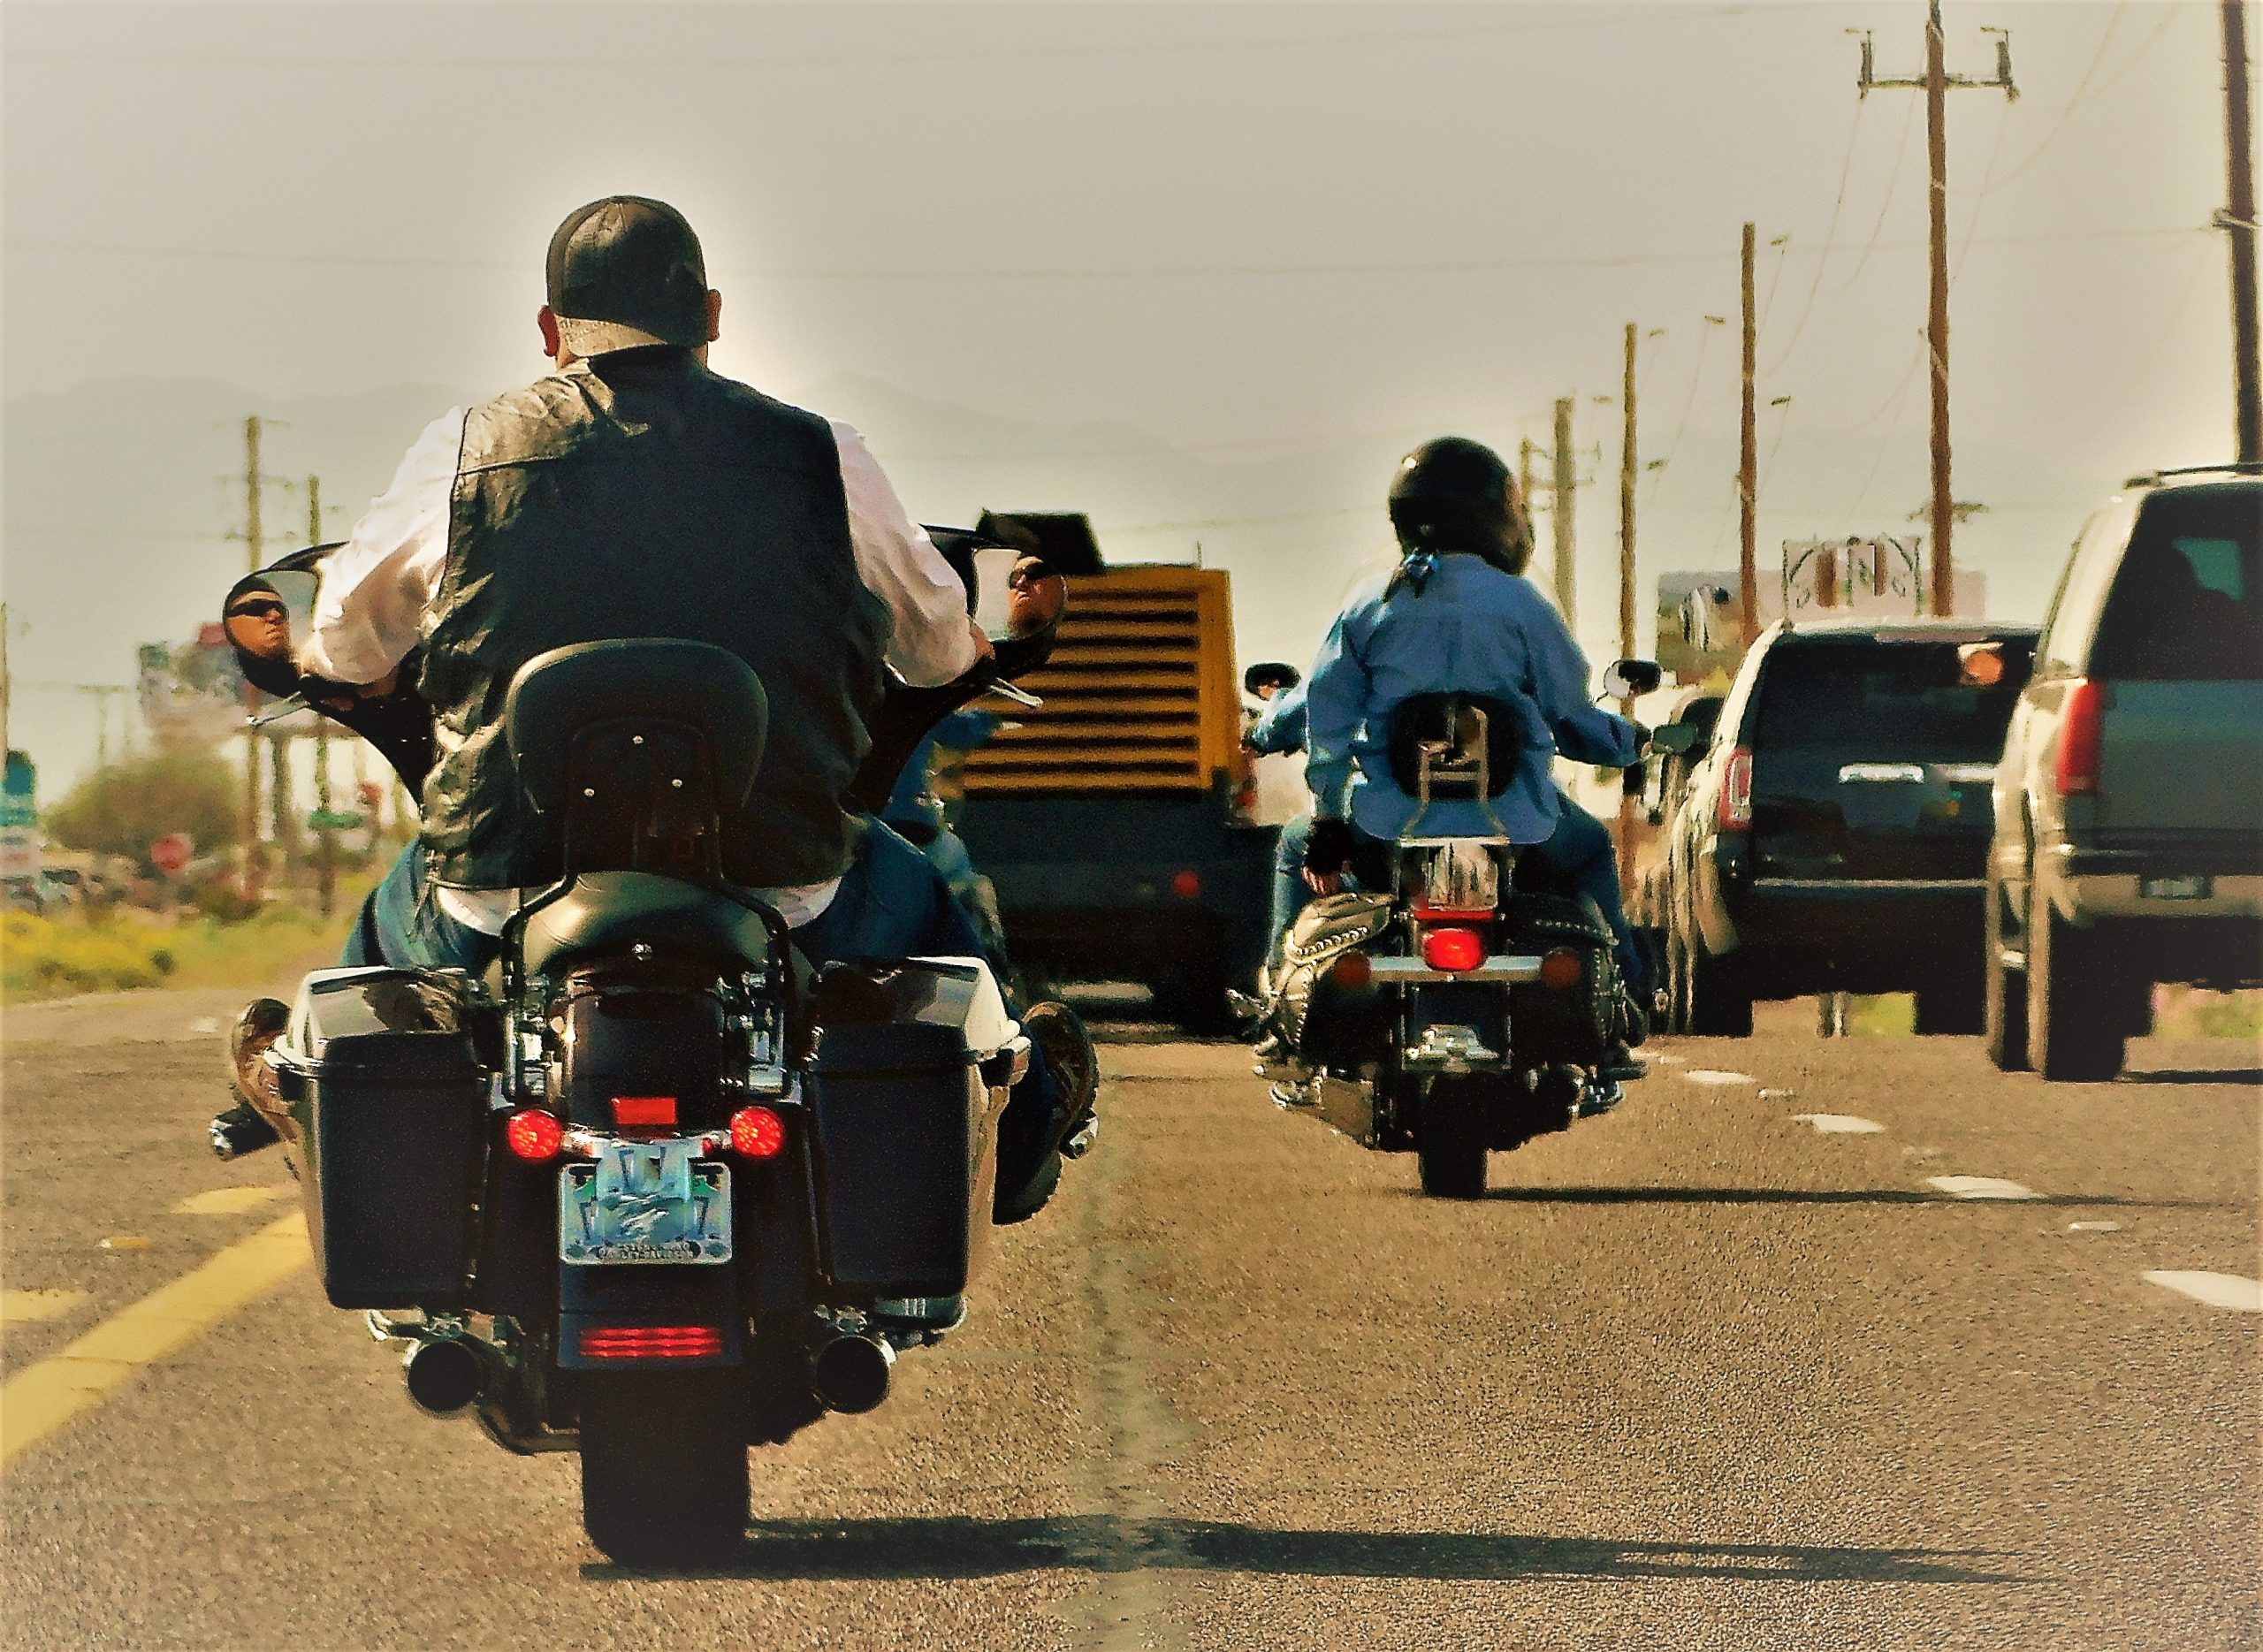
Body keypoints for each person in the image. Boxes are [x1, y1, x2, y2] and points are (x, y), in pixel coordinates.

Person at [218, 195, 1093, 1214]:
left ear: (549, 331)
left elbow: (345, 644)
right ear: (712, 314)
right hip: (781, 882)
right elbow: (939, 648)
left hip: (508, 881)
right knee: (943, 919)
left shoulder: (463, 449)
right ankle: (1023, 1125)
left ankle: (292, 1083)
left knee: (385, 929)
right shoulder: (824, 453)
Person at [1290, 436, 1649, 1039]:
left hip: (1390, 825)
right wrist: (1627, 743)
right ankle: (1628, 1000)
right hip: (1516, 824)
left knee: (1287, 848)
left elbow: (1327, 723)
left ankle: (1284, 1002)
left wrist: (1327, 819)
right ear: (1491, 516)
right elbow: (1570, 716)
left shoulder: (1369, 604)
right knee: (1589, 850)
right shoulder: (1523, 604)